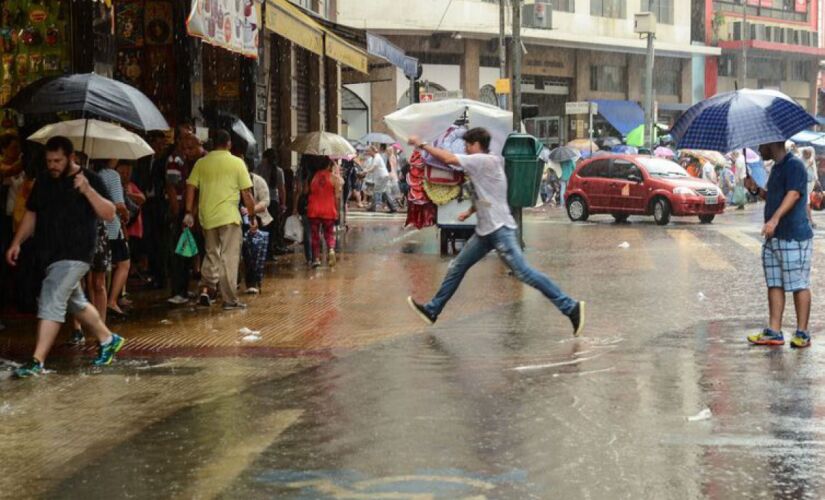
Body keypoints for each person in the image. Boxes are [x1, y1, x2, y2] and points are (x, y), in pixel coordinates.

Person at [405, 128, 585, 335]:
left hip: (499, 229)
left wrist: (421, 144)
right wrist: (470, 211)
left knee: (524, 272)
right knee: (457, 267)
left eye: (467, 145)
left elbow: (448, 158)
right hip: (485, 232)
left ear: (475, 145)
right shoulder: (486, 163)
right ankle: (433, 309)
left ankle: (570, 307)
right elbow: (489, 195)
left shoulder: (483, 160)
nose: (465, 148)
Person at [5, 136, 125, 378]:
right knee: (75, 302)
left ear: (71, 158)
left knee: (52, 298)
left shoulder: (90, 179)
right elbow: (32, 214)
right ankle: (108, 339)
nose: (53, 165)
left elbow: (110, 213)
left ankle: (37, 360)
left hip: (77, 253)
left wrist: (87, 190)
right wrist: (17, 242)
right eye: (49, 160)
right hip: (50, 254)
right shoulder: (44, 181)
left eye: (58, 160)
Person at [744, 141, 813, 349]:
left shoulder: (795, 165)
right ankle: (774, 331)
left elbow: (793, 195)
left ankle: (802, 332)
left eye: (761, 146)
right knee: (775, 283)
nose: (758, 150)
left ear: (772, 143)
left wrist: (774, 220)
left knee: (799, 283)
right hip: (774, 237)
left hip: (793, 235)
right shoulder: (776, 167)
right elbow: (774, 198)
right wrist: (756, 190)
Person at [184, 129, 256, 310]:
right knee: (228, 258)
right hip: (229, 217)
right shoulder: (237, 163)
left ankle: (206, 289)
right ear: (229, 144)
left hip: (207, 218)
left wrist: (188, 212)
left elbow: (191, 187)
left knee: (211, 254)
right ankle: (230, 300)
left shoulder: (201, 163)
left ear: (212, 144)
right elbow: (246, 193)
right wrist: (252, 215)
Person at [307, 157, 343, 268]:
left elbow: (307, 191)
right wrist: (337, 211)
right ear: (328, 166)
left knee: (315, 235)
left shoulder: (312, 177)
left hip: (314, 210)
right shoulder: (334, 179)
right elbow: (337, 197)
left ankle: (316, 259)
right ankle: (331, 249)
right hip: (329, 210)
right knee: (329, 233)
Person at [244, 162, 272, 294]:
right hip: (237, 219)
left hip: (256, 218)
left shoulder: (258, 182)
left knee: (253, 251)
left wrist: (251, 211)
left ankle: (253, 281)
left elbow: (265, 201)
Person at [254, 148, 287, 258]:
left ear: (265, 158)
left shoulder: (258, 169)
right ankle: (270, 252)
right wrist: (283, 204)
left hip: (260, 202)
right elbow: (281, 189)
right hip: (273, 203)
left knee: (262, 227)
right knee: (272, 229)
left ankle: (260, 251)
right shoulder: (279, 171)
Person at [363, 146, 397, 213]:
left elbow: (373, 167)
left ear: (373, 151)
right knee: (385, 192)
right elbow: (372, 168)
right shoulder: (375, 157)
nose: (368, 153)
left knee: (376, 191)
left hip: (382, 177)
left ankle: (373, 207)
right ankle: (393, 207)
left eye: (369, 151)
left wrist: (365, 171)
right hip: (382, 176)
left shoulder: (377, 157)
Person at [801, 147, 818, 228]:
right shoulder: (800, 160)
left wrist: (816, 181)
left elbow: (814, 171)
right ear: (804, 154)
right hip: (803, 185)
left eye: (810, 154)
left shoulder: (811, 160)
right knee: (806, 203)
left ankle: (809, 220)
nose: (809, 156)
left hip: (810, 184)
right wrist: (808, 165)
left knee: (806, 203)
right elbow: (800, 172)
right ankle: (810, 221)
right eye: (807, 154)